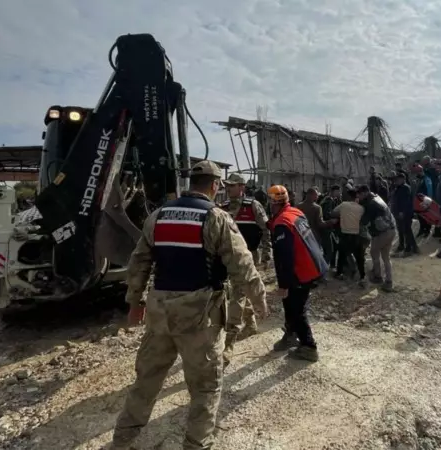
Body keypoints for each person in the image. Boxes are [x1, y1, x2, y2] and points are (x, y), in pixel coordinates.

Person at [112, 161, 267, 450]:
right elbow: (242, 265)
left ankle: (122, 440)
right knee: (206, 387)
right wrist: (259, 300)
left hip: (159, 314)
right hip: (199, 318)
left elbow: (139, 262)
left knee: (146, 381)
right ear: (214, 185)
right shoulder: (217, 218)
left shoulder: (157, 216)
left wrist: (135, 302)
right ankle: (197, 445)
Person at [266, 185, 328, 362]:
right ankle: (291, 334)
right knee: (290, 304)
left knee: (296, 308)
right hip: (314, 264)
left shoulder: (281, 224)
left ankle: (309, 346)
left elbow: (284, 259)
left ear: (271, 203)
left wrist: (283, 285)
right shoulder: (295, 212)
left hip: (301, 271)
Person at [219, 172, 272, 366]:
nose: (228, 188)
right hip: (228, 260)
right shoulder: (222, 208)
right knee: (239, 292)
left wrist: (267, 254)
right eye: (227, 185)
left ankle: (228, 344)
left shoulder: (253, 206)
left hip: (249, 258)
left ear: (241, 187)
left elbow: (267, 230)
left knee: (237, 296)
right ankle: (250, 324)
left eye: (232, 185)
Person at [358, 185, 396, 292]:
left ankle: (377, 276)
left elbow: (364, 222)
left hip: (382, 233)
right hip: (391, 229)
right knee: (386, 257)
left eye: (359, 195)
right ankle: (389, 281)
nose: (359, 197)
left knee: (374, 252)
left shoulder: (371, 204)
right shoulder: (377, 198)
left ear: (365, 193)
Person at [331, 188, 367, 286]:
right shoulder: (361, 208)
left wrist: (343, 215)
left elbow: (333, 213)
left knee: (342, 256)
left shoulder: (343, 205)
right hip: (356, 235)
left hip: (345, 235)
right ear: (356, 197)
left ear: (348, 196)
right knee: (359, 257)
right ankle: (362, 276)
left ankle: (339, 273)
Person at [391, 172, 418, 256]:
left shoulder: (406, 188)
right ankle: (402, 245)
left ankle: (411, 247)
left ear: (403, 179)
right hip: (398, 213)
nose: (396, 181)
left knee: (407, 230)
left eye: (398, 179)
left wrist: (402, 212)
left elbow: (406, 202)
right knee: (401, 230)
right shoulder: (398, 188)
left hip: (405, 213)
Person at [319, 185, 342, 270]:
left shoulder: (328, 199)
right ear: (333, 191)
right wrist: (334, 218)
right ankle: (322, 270)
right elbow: (327, 214)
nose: (339, 193)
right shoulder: (329, 201)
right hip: (327, 228)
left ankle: (329, 266)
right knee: (329, 250)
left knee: (330, 248)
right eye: (338, 191)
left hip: (327, 227)